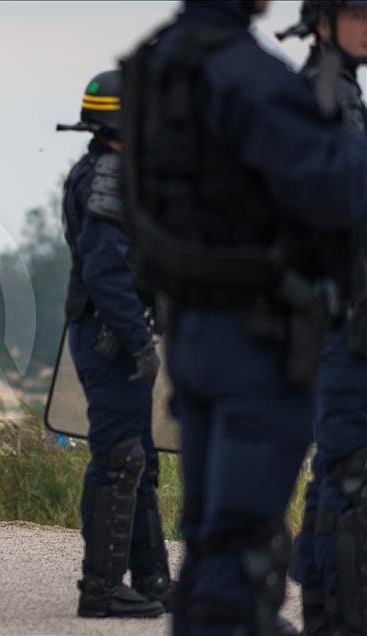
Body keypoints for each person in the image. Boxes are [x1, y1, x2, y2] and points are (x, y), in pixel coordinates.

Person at [120, 1, 367, 634]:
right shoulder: (246, 72)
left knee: (211, 540)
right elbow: (336, 192)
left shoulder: (158, 59)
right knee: (244, 547)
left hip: (197, 327)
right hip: (257, 338)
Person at [56, 69, 171, 619]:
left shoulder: (111, 172)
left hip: (116, 334)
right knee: (119, 460)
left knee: (139, 460)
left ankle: (151, 580)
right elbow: (106, 272)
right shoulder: (106, 176)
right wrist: (137, 341)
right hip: (110, 338)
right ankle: (100, 591)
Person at [278, 2, 367, 634]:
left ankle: (322, 613)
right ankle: (341, 618)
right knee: (349, 476)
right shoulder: (327, 95)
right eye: (357, 12)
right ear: (324, 20)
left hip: (334, 317)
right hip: (340, 321)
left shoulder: (339, 92)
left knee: (333, 473)